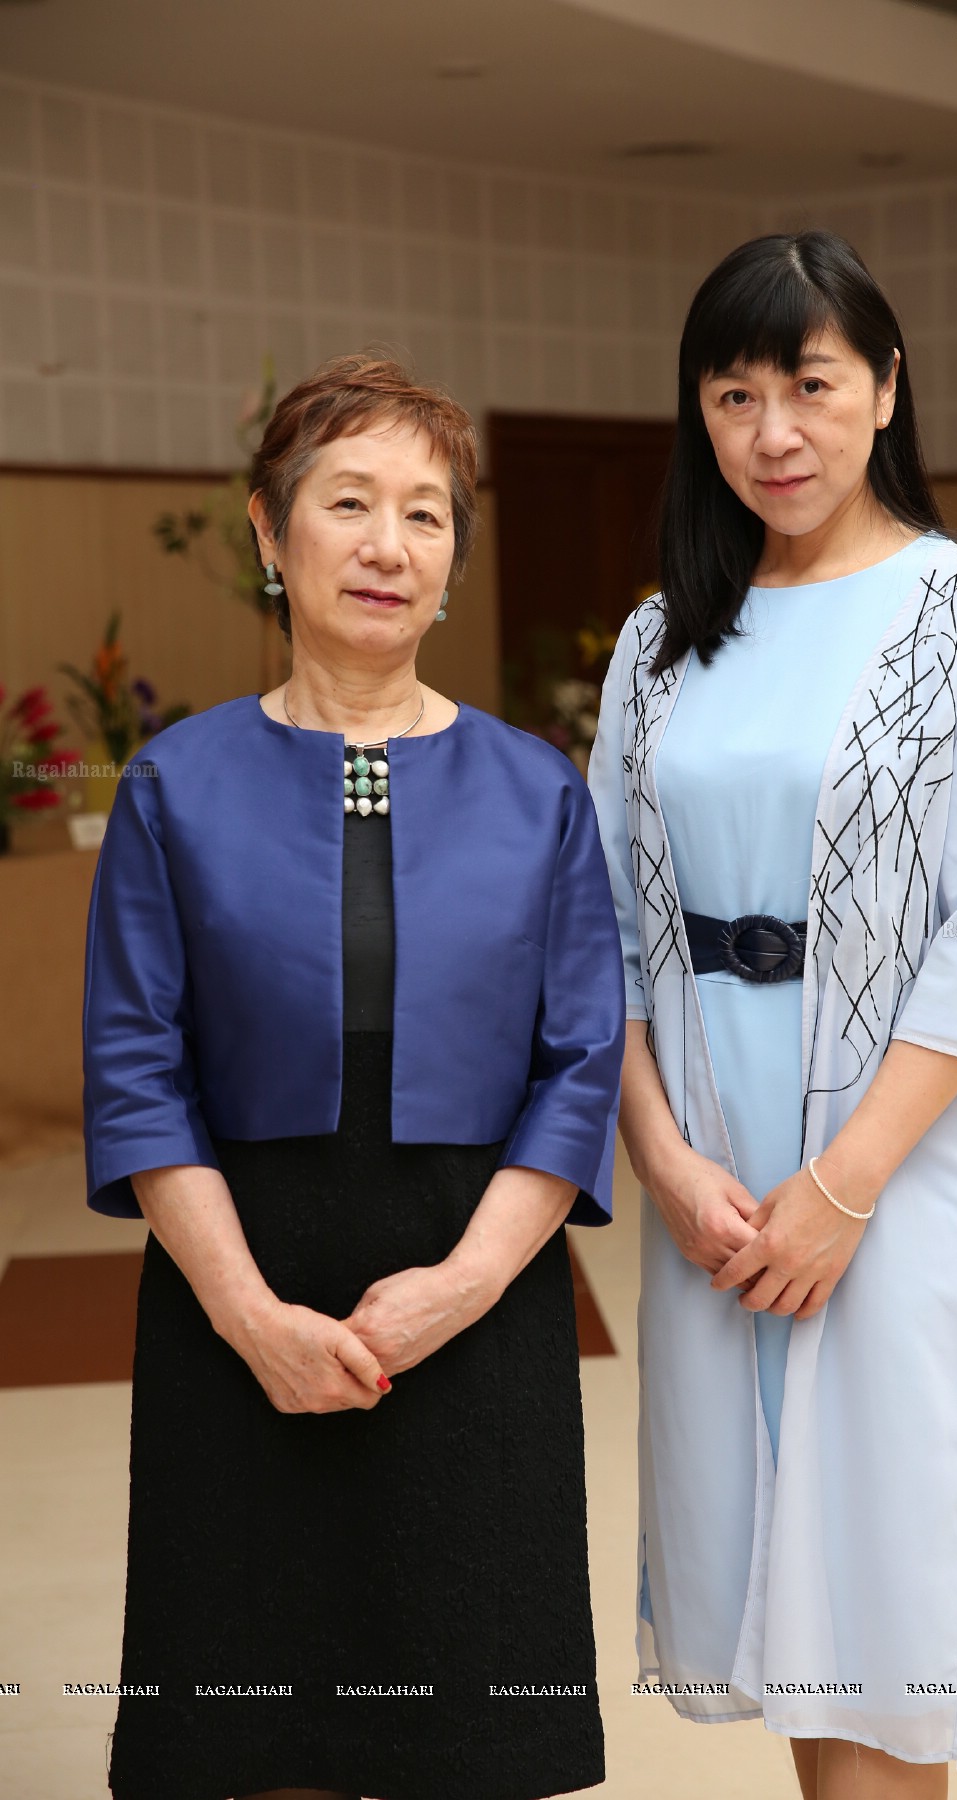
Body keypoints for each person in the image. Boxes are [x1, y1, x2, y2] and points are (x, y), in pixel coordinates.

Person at [82, 353, 625, 1800]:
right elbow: (137, 1073)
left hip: (482, 1307)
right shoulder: (172, 788)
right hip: (237, 1309)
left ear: (454, 558)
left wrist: (459, 1287)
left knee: (473, 1746)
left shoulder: (540, 791)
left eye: (429, 514)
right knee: (264, 1742)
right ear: (270, 533)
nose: (391, 545)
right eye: (351, 503)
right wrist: (251, 1317)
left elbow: (579, 1070)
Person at [587, 233, 957, 1797]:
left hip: (886, 1163)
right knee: (774, 1588)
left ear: (886, 388)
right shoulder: (656, 641)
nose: (774, 430)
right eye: (734, 393)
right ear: (699, 417)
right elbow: (611, 935)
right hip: (709, 1169)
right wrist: (658, 1160)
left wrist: (844, 1191)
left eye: (810, 383)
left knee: (882, 1576)